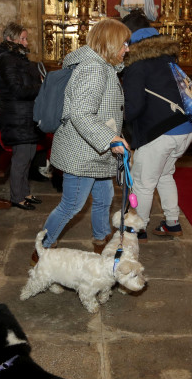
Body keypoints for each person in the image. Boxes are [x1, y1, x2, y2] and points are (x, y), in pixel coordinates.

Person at [35, 18, 131, 262]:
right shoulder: (94, 69)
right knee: (72, 205)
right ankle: (42, 250)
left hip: (94, 152)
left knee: (104, 198)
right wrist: (110, 138)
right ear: (110, 44)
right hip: (82, 152)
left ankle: (101, 240)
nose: (127, 49)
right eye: (124, 44)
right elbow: (80, 113)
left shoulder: (102, 66)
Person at [120, 11, 192, 238]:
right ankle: (172, 223)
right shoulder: (167, 57)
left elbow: (134, 107)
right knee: (164, 175)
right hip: (186, 127)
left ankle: (136, 230)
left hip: (160, 133)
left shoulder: (137, 64)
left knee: (143, 183)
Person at [0, 22, 44, 210]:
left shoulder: (15, 58)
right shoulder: (6, 59)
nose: (26, 42)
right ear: (10, 39)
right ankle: (16, 197)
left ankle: (25, 192)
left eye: (26, 38)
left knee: (28, 156)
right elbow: (18, 90)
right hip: (16, 116)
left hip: (24, 115)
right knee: (20, 159)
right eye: (23, 38)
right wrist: (42, 86)